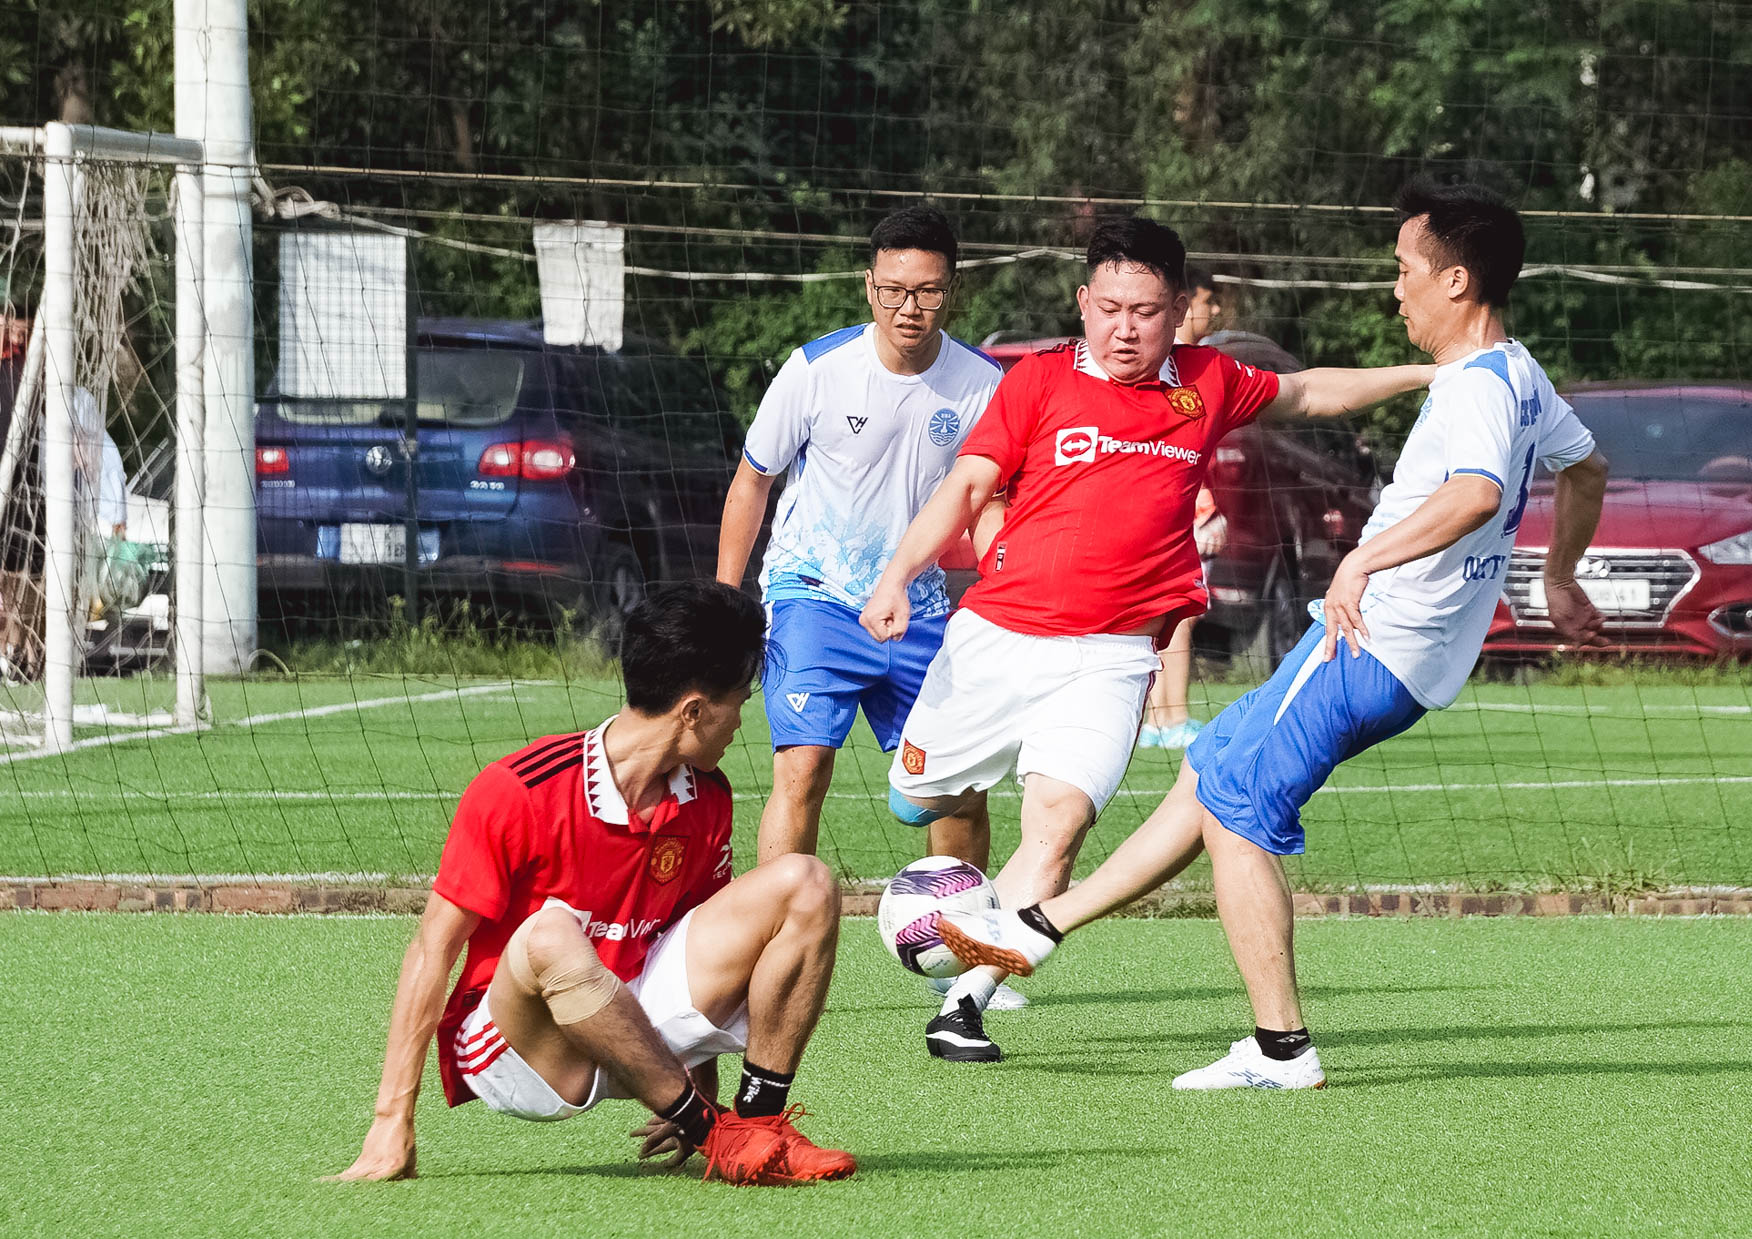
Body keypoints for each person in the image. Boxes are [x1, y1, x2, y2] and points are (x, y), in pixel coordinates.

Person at [935, 178, 1613, 1091]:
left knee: (1238, 808)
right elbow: (1588, 467)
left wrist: (1362, 561)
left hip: (1371, 645)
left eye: (1405, 269)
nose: (1396, 288)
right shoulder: (1520, 373)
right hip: (1394, 652)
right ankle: (1035, 929)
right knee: (1211, 764)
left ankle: (1279, 1045)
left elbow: (1476, 494)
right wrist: (1559, 577)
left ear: (1456, 281)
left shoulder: (1481, 387)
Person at [859, 215, 1435, 1063]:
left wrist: (1432, 372)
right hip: (995, 640)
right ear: (1083, 302)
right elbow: (970, 483)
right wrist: (897, 575)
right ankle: (940, 829)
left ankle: (964, 1001)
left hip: (1113, 657)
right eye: (1110, 309)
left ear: (1176, 312)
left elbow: (1308, 391)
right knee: (917, 799)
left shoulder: (1208, 380)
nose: (1125, 328)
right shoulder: (1036, 381)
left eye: (1146, 311)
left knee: (1057, 828)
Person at [335, 580, 855, 1186]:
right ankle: (712, 1133)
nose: (742, 721)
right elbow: (433, 949)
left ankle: (757, 1124)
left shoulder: (707, 797)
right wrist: (391, 1119)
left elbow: (690, 936)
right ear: (692, 711)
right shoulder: (519, 790)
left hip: (638, 1022)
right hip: (528, 1052)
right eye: (738, 701)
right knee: (550, 933)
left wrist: (702, 1084)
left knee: (806, 881)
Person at [715, 207, 1001, 874]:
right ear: (869, 286)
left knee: (955, 792)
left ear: (952, 290)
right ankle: (778, 930)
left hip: (919, 608)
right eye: (894, 290)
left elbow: (989, 502)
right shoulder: (816, 369)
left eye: (927, 292)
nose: (910, 308)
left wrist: (1007, 586)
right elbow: (752, 481)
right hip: (814, 595)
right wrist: (724, 604)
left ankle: (958, 939)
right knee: (803, 768)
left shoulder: (984, 384)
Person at [1141, 263, 1225, 750]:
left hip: (1181, 509)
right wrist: (1208, 509)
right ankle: (1172, 718)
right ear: (1183, 303)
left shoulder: (1197, 364)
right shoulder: (1178, 366)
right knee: (1181, 612)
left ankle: (1159, 718)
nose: (1215, 309)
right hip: (1180, 513)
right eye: (1208, 300)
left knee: (1168, 613)